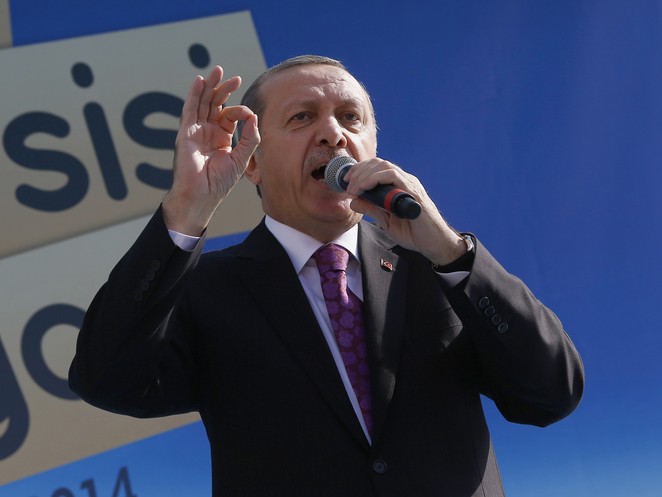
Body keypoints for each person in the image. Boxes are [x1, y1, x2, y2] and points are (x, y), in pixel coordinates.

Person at [69, 55, 584, 497]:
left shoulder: (439, 268)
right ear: (252, 164)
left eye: (350, 117)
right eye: (302, 117)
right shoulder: (206, 290)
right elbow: (106, 381)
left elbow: (552, 393)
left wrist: (451, 253)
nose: (333, 133)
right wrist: (187, 206)